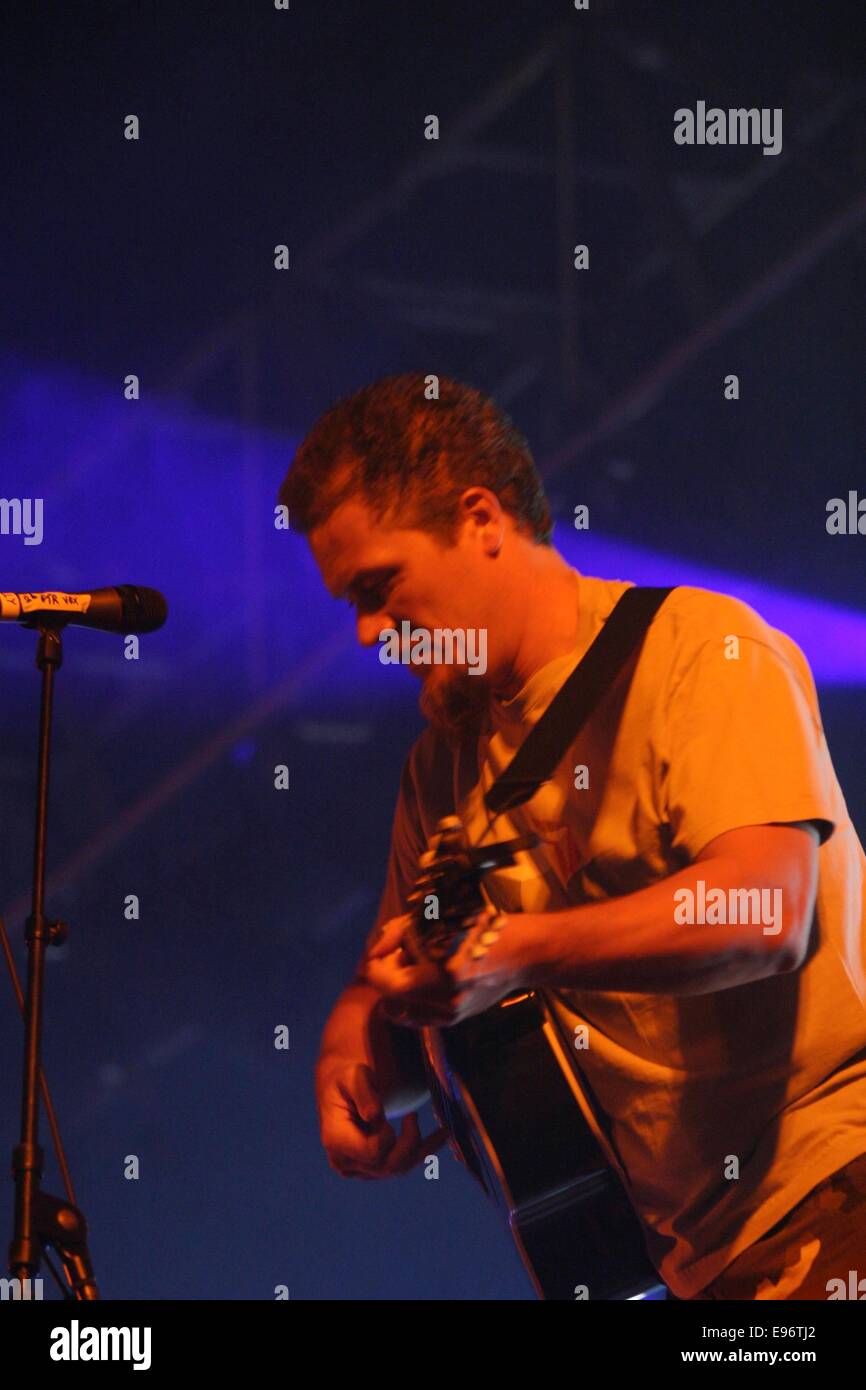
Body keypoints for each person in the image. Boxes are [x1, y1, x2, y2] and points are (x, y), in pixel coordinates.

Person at [278, 371, 866, 1300]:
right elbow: (392, 994)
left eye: (379, 586)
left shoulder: (697, 652)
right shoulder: (441, 775)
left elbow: (766, 915)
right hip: (704, 1269)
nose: (366, 632)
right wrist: (347, 1057)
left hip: (835, 1200)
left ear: (480, 519)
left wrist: (518, 952)